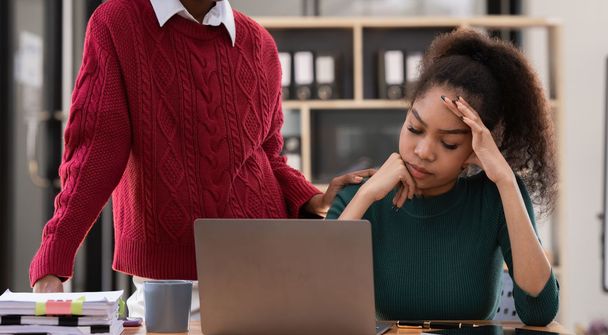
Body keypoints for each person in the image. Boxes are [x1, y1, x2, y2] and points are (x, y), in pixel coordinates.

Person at [30, 0, 372, 317]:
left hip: (269, 266)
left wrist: (313, 198)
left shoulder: (258, 42)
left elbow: (267, 154)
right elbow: (94, 152)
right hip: (172, 288)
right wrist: (53, 261)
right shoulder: (119, 22)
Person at [326, 29, 559, 326]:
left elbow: (539, 311)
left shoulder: (494, 198)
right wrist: (366, 197)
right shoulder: (361, 196)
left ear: (474, 148)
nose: (423, 151)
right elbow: (315, 294)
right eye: (414, 128)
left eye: (448, 143)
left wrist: (505, 179)